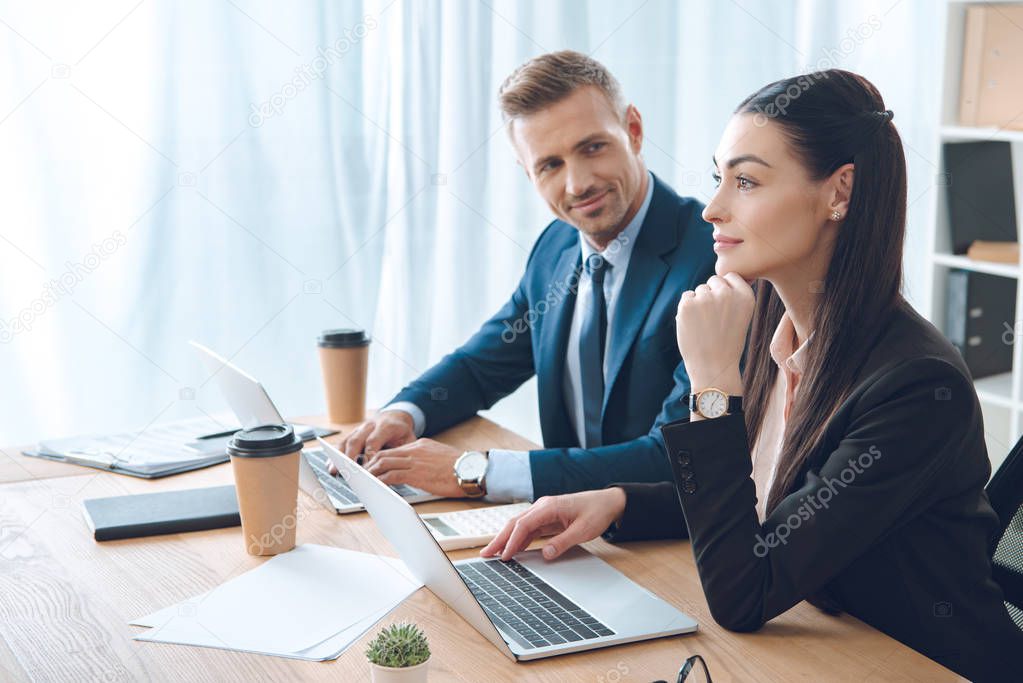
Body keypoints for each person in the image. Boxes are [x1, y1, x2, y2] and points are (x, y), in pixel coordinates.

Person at [480, 69, 1023, 681]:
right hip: (821, 647)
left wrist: (712, 381)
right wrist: (619, 501)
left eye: (745, 181)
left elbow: (746, 593)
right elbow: (763, 504)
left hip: (916, 664)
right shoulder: (767, 315)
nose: (713, 207)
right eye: (719, 179)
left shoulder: (915, 386)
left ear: (839, 192)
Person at [331, 50, 715, 503]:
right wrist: (404, 413)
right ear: (527, 171)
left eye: (592, 147)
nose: (577, 185)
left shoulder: (712, 259)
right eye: (550, 165)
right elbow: (480, 366)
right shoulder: (556, 247)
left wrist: (475, 471)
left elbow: (675, 456)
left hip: (660, 541)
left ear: (633, 130)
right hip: (563, 530)